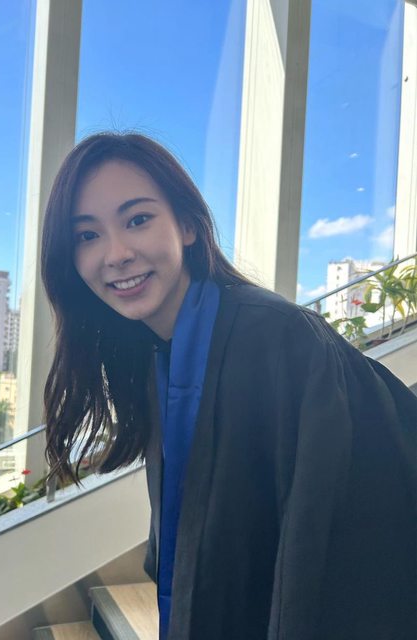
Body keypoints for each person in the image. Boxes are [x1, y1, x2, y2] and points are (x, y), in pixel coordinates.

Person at [41, 132, 417, 640]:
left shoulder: (278, 338)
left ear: (188, 226)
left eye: (138, 219)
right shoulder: (159, 357)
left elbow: (329, 540)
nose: (117, 253)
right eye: (87, 235)